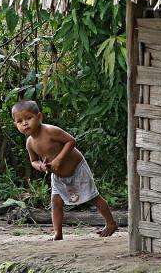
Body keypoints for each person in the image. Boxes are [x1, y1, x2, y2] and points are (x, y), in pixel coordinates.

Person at [12, 100, 118, 240]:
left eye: (28, 118)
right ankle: (58, 233)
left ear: (39, 117)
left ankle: (111, 223)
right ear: (16, 125)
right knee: (55, 201)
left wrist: (58, 159)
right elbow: (33, 161)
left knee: (93, 197)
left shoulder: (50, 131)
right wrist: (41, 166)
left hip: (77, 168)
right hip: (57, 175)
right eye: (20, 121)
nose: (24, 123)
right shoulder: (30, 143)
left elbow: (71, 141)